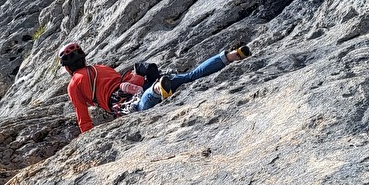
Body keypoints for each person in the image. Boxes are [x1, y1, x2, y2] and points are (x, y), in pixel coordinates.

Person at [59, 41, 252, 133]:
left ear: (67, 68)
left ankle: (157, 90)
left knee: (140, 107)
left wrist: (87, 138)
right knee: (189, 76)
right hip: (137, 83)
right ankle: (230, 55)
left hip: (123, 100)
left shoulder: (73, 84)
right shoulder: (99, 67)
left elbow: (83, 117)